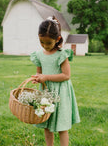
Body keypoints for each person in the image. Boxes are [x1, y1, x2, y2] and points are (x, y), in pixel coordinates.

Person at [30, 16, 80, 146]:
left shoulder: (61, 54)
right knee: (47, 123)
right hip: (46, 93)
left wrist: (46, 77)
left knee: (61, 126)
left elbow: (66, 75)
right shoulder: (39, 55)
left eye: (48, 43)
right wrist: (37, 78)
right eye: (42, 42)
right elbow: (39, 72)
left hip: (60, 94)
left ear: (57, 39)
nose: (45, 46)